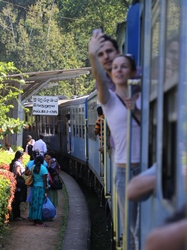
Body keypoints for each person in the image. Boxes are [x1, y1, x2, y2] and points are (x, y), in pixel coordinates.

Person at [89, 30, 141, 250]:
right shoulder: (107, 95)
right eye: (101, 55)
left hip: (148, 165)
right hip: (123, 168)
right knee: (133, 229)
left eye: (110, 52)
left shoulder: (142, 83)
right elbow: (100, 79)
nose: (108, 59)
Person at [28, 155, 48, 227]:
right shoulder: (44, 168)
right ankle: (39, 221)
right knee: (40, 204)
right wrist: (46, 190)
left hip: (34, 187)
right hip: (41, 188)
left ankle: (34, 220)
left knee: (34, 203)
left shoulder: (33, 167)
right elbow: (44, 180)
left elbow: (28, 174)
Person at [9, 150, 27, 221]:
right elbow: (18, 172)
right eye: (22, 156)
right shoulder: (17, 163)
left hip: (16, 181)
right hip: (18, 182)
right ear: (20, 156)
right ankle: (16, 216)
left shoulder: (15, 162)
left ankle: (17, 215)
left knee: (17, 198)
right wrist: (22, 176)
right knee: (18, 198)